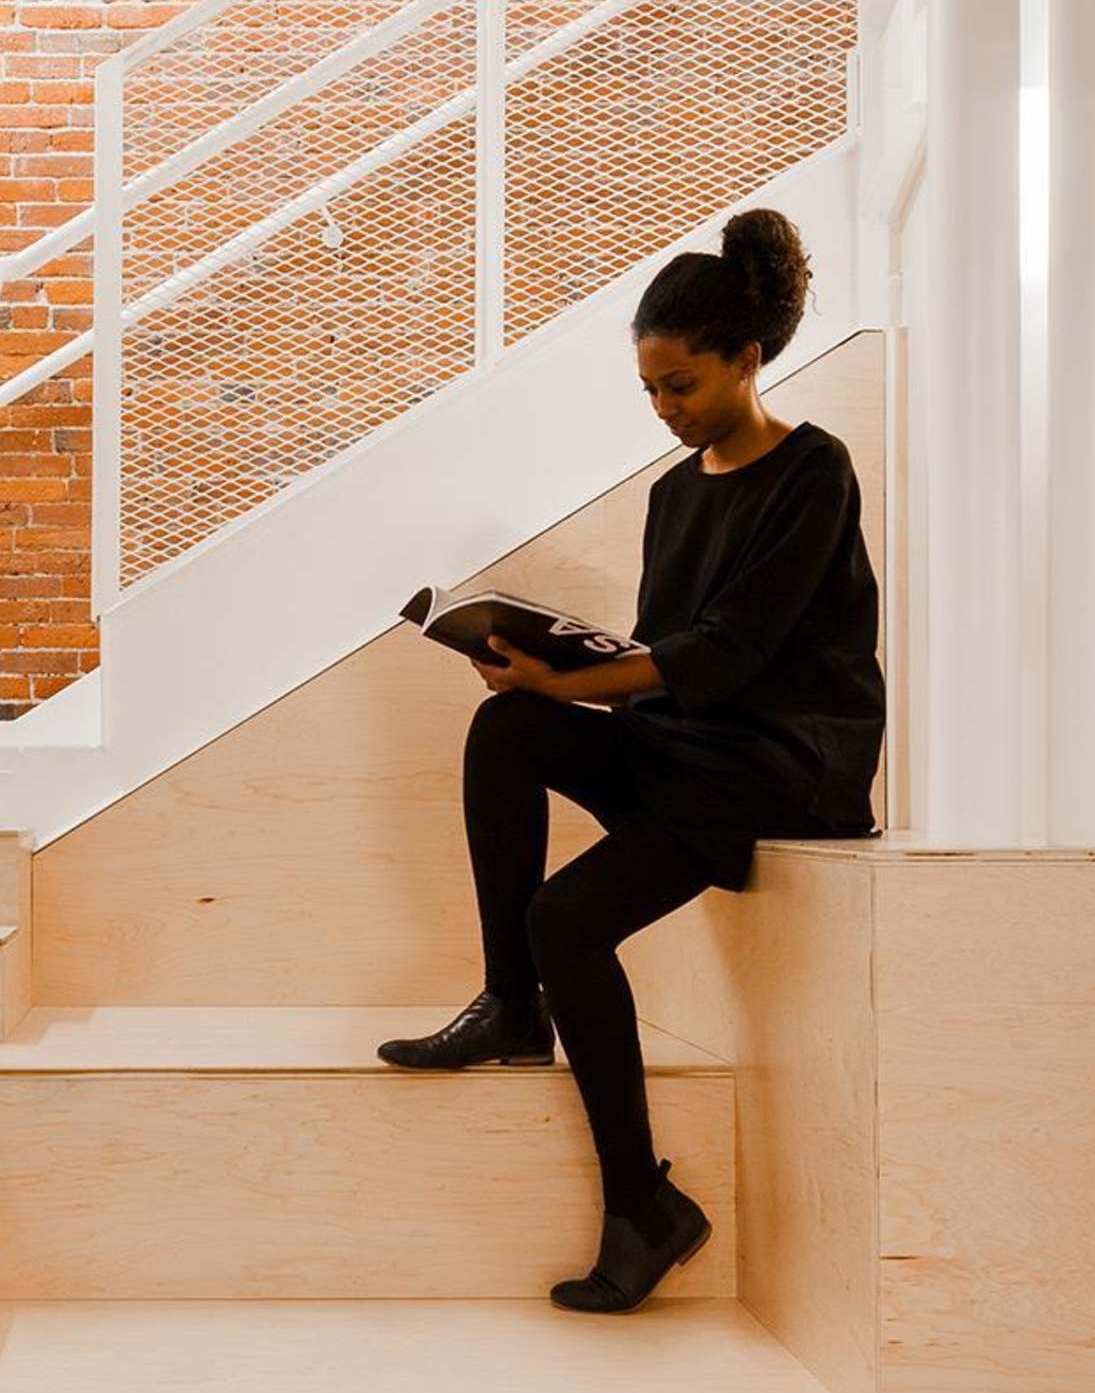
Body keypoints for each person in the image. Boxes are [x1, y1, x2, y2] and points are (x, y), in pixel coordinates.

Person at [379, 208, 885, 1315]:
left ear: (748, 358)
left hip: (778, 766)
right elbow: (662, 659)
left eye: (684, 385)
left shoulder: (814, 471)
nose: (665, 410)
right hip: (689, 749)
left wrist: (582, 682)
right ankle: (513, 1007)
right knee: (505, 727)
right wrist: (543, 667)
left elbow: (728, 653)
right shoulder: (673, 493)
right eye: (651, 390)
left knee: (568, 915)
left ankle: (643, 1209)